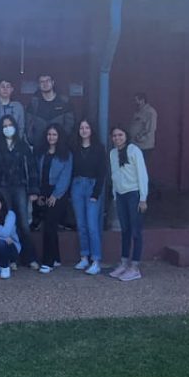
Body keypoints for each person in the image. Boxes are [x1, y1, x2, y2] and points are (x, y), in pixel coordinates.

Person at [0, 114, 40, 269]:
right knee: (6, 222)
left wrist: (33, 190)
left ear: (15, 127)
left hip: (20, 187)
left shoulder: (23, 146)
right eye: (4, 126)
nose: (7, 128)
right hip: (1, 188)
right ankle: (11, 258)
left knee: (23, 222)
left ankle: (30, 258)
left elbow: (32, 169)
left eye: (10, 125)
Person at [109, 125, 149, 282]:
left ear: (126, 136)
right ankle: (124, 263)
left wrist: (143, 198)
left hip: (134, 194)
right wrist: (114, 194)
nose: (117, 138)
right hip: (120, 195)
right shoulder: (113, 153)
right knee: (124, 229)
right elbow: (114, 174)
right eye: (114, 135)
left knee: (136, 231)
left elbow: (142, 174)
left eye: (120, 134)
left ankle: (135, 267)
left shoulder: (134, 151)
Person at [71, 118, 108, 275]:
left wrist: (96, 193)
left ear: (92, 130)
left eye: (87, 127)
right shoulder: (74, 148)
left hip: (92, 186)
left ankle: (96, 260)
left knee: (92, 225)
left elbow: (102, 173)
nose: (84, 130)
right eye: (81, 127)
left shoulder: (99, 149)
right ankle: (84, 256)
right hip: (77, 186)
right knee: (81, 224)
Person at [35, 124, 73, 273]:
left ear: (59, 136)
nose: (51, 137)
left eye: (54, 135)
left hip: (58, 194)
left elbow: (65, 176)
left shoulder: (66, 154)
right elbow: (38, 174)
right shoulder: (41, 152)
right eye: (49, 134)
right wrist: (39, 194)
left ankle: (47, 262)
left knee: (50, 227)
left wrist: (55, 195)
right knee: (49, 226)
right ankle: (56, 258)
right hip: (43, 191)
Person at [25, 74, 76, 152]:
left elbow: (70, 125)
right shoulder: (33, 103)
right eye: (42, 82)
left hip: (60, 148)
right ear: (39, 85)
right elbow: (29, 126)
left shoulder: (64, 102)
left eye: (47, 81)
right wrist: (33, 141)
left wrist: (62, 140)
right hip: (39, 148)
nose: (45, 84)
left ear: (53, 82)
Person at [129, 92, 158, 163]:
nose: (134, 102)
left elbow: (150, 129)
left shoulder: (150, 112)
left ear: (142, 100)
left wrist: (139, 138)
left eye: (136, 100)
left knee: (142, 167)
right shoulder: (138, 111)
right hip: (135, 145)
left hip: (144, 146)